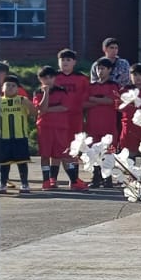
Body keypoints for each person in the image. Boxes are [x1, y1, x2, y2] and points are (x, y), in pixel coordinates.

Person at [43, 49, 89, 190]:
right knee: (56, 149)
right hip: (57, 119)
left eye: (68, 60)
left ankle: (74, 179)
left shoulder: (81, 78)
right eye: (62, 60)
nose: (65, 62)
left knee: (73, 149)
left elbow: (86, 98)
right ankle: (52, 179)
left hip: (75, 118)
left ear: (74, 62)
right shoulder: (53, 77)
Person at [83, 57, 121, 186]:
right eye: (98, 68)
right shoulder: (91, 86)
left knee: (108, 152)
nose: (100, 71)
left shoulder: (113, 85)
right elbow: (84, 103)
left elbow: (112, 101)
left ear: (109, 70)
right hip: (93, 125)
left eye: (103, 68)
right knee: (94, 152)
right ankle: (96, 177)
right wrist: (101, 101)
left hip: (108, 125)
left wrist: (93, 100)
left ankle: (108, 178)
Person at [0, 79, 36, 195]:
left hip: (20, 137)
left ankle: (24, 183)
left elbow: (34, 113)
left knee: (22, 162)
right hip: (3, 137)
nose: (10, 87)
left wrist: (29, 104)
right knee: (4, 163)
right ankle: (3, 183)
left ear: (18, 89)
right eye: (7, 85)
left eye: (13, 85)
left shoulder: (22, 100)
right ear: (2, 88)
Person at [118, 63, 141, 159]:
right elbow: (118, 107)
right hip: (129, 129)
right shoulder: (124, 91)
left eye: (140, 74)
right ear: (130, 76)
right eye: (135, 75)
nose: (138, 77)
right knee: (129, 160)